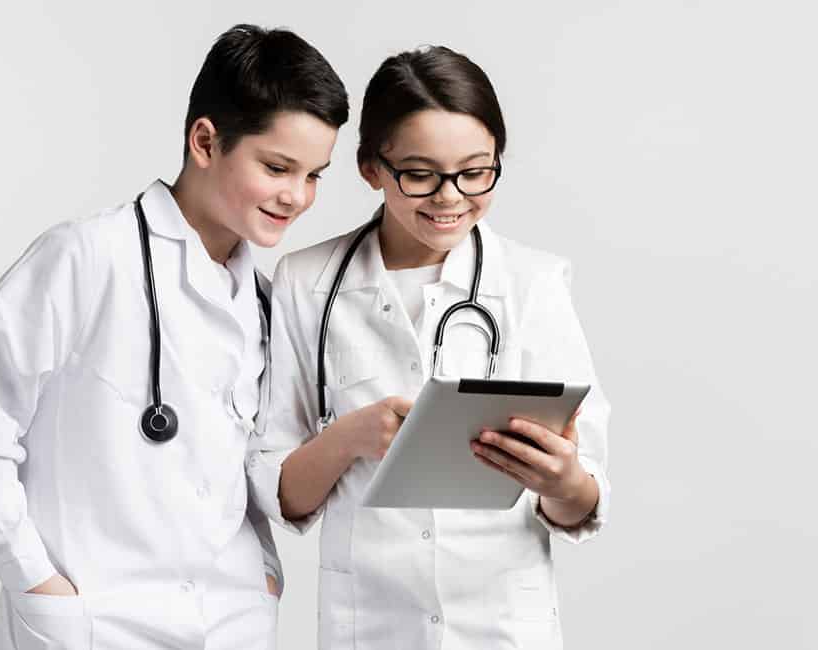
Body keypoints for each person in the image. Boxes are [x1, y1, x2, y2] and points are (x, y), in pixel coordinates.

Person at [0, 24, 348, 650]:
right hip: (93, 623)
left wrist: (261, 574)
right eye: (277, 167)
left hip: (232, 622)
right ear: (205, 141)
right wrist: (36, 583)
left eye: (315, 175)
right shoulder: (85, 258)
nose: (297, 197)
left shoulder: (265, 302)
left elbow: (248, 474)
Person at [247, 45, 611, 649]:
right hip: (371, 623)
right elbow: (282, 493)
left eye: (475, 171)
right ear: (371, 167)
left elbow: (582, 501)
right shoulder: (304, 282)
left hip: (500, 625)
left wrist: (562, 479)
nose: (450, 197)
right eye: (420, 174)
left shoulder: (533, 283)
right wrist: (353, 436)